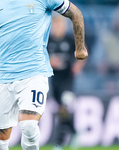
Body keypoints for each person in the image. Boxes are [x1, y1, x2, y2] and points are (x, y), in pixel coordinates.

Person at [0, 0, 88, 149]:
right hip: (1, 78)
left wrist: (80, 48)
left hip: (34, 73)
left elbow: (75, 13)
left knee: (29, 125)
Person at [47, 15, 86, 150]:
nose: (57, 29)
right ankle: (74, 132)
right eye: (55, 26)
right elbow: (42, 58)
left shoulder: (70, 39)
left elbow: (83, 53)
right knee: (61, 111)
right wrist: (51, 62)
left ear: (64, 27)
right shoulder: (48, 41)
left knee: (64, 106)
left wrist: (77, 66)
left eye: (59, 26)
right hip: (55, 80)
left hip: (68, 80)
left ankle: (60, 143)